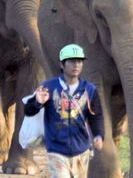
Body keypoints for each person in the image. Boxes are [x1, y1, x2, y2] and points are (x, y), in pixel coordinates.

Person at [24, 44, 104, 178]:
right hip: (56, 151)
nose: (76, 65)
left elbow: (96, 116)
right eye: (72, 61)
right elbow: (28, 110)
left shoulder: (89, 89)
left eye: (79, 61)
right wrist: (38, 102)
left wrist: (99, 135)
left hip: (82, 151)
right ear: (62, 65)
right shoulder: (48, 87)